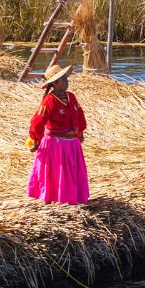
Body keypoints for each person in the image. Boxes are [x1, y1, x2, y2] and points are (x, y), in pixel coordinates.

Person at [27, 64, 89, 204]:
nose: (67, 81)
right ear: (55, 83)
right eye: (63, 79)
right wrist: (36, 141)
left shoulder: (71, 97)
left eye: (66, 78)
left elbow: (79, 115)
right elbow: (37, 121)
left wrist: (80, 132)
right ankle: (55, 197)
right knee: (58, 172)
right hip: (56, 144)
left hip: (73, 143)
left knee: (73, 172)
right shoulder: (49, 100)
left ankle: (73, 197)